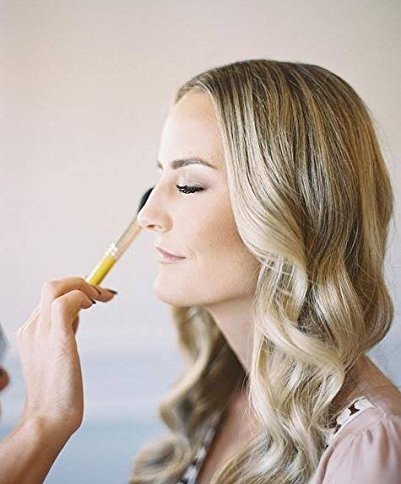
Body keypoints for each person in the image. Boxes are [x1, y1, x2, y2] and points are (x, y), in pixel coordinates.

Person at [1, 59, 401, 484]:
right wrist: (43, 421)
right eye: (158, 178)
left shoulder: (371, 446)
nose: (146, 215)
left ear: (296, 209)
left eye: (188, 184)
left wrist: (42, 421)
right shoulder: (222, 399)